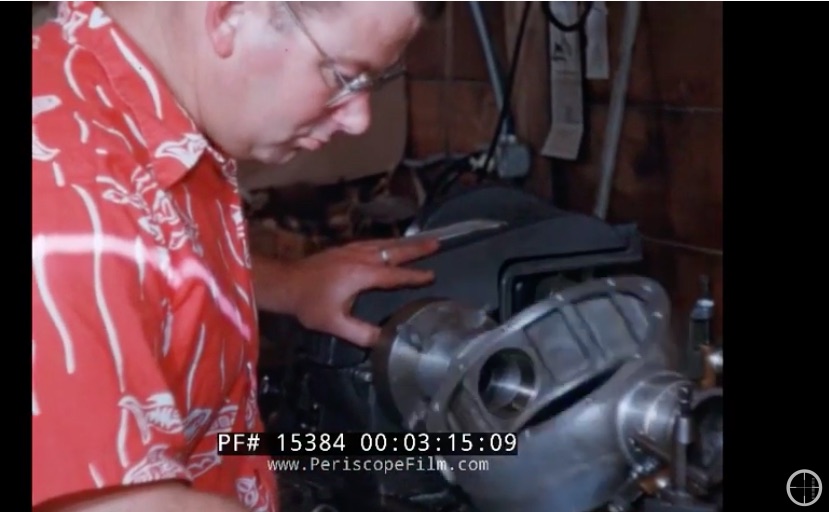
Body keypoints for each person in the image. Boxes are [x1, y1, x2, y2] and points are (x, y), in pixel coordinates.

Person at [32, 2, 444, 511]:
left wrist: (284, 285)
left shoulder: (130, 105)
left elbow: (143, 253)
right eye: (343, 76)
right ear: (231, 14)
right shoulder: (63, 195)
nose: (359, 118)